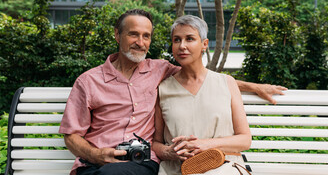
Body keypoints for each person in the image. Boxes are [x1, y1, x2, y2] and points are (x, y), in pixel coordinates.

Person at [59, 9, 286, 175]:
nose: (140, 42)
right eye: (133, 34)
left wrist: (254, 86)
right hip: (94, 164)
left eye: (146, 36)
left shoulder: (159, 71)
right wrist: (97, 155)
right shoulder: (88, 81)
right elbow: (71, 135)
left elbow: (203, 77)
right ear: (117, 36)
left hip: (139, 164)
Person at [153, 15, 251, 175]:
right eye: (176, 40)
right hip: (179, 169)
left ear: (204, 44)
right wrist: (169, 151)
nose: (182, 46)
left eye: (189, 39)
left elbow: (245, 140)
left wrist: (205, 145)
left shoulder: (227, 83)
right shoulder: (163, 89)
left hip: (223, 166)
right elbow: (156, 143)